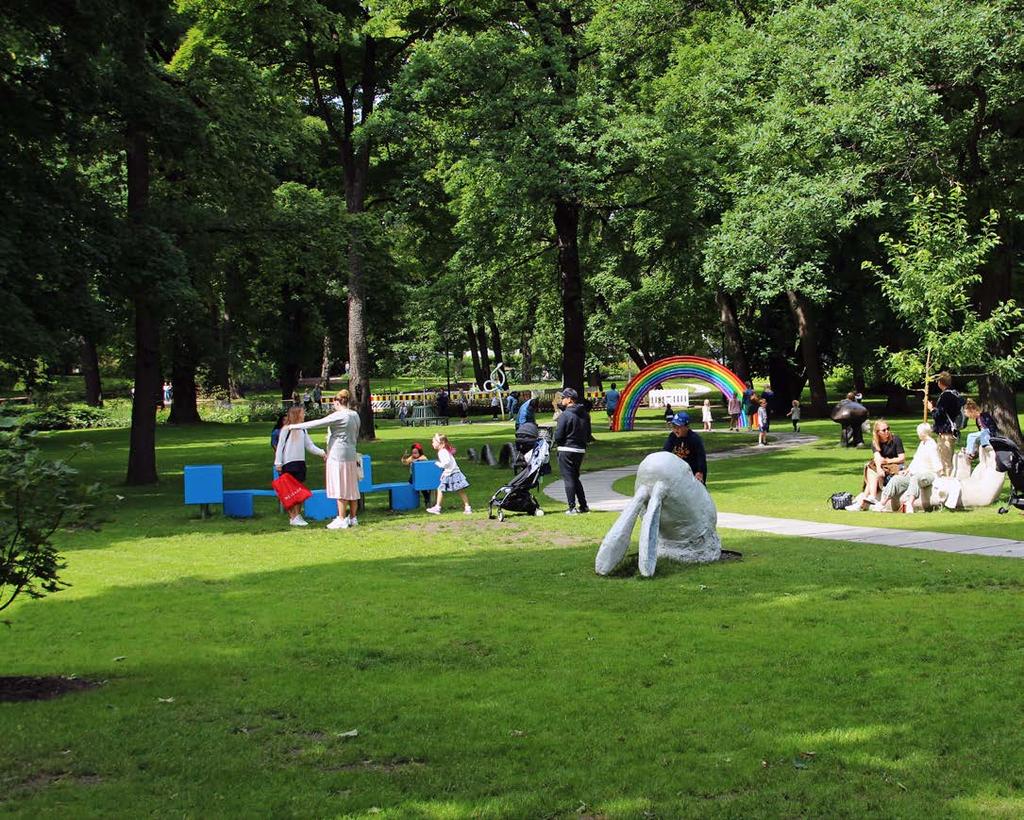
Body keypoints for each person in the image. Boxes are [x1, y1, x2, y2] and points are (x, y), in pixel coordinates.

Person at [284, 389, 361, 530]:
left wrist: (292, 426)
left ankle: (341, 518)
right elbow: (355, 434)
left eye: (334, 404)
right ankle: (353, 518)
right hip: (351, 453)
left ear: (337, 402)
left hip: (338, 455)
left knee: (340, 487)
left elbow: (316, 423)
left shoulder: (339, 415)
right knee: (351, 486)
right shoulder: (355, 415)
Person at [274, 404, 327, 526]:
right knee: (290, 492)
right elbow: (280, 447)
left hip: (300, 463)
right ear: (297, 414)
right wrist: (278, 463)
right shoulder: (286, 429)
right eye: (302, 413)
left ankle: (297, 515)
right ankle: (293, 516)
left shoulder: (303, 429)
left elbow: (309, 445)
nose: (304, 415)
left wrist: (322, 453)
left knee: (299, 490)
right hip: (288, 463)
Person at [873, 423, 942, 513]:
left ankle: (909, 503)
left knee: (915, 478)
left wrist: (940, 475)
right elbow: (915, 460)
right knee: (896, 479)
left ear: (922, 433)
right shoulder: (922, 443)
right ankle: (882, 503)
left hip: (928, 474)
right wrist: (907, 470)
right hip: (916, 473)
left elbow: (936, 462)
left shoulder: (932, 445)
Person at [851, 420, 905, 509]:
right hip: (882, 465)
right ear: (878, 432)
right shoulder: (875, 442)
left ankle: (867, 497)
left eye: (888, 429)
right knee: (871, 466)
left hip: (895, 465)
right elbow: (877, 458)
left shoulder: (896, 439)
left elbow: (902, 458)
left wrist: (888, 461)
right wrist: (879, 468)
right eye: (884, 430)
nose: (887, 431)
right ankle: (868, 498)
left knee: (871, 469)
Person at [553, 388, 590, 514]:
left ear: (569, 399)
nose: (562, 400)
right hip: (580, 450)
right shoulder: (585, 414)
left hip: (566, 449)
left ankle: (572, 507)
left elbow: (558, 436)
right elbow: (588, 433)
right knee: (575, 478)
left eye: (563, 397)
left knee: (568, 478)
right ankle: (584, 506)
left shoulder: (565, 415)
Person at [426, 434, 472, 514]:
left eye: (434, 442)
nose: (432, 444)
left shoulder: (442, 452)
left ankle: (438, 508)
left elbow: (446, 463)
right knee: (456, 490)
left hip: (452, 474)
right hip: (451, 473)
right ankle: (467, 507)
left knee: (443, 489)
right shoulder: (444, 451)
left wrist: (439, 464)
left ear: (441, 443)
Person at [663, 411, 707, 484]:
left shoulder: (694, 438)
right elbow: (665, 452)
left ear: (687, 427)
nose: (675, 430)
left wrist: (700, 471)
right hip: (677, 472)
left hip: (692, 472)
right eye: (674, 427)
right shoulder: (672, 437)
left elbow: (701, 456)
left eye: (678, 427)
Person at [402, 442, 432, 508]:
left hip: (421, 476)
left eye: (415, 453)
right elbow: (405, 462)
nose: (414, 454)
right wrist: (404, 457)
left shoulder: (422, 457)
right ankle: (414, 499)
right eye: (413, 453)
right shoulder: (412, 458)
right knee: (411, 484)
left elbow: (425, 461)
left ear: (419, 452)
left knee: (422, 487)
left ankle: (427, 498)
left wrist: (417, 460)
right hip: (413, 476)